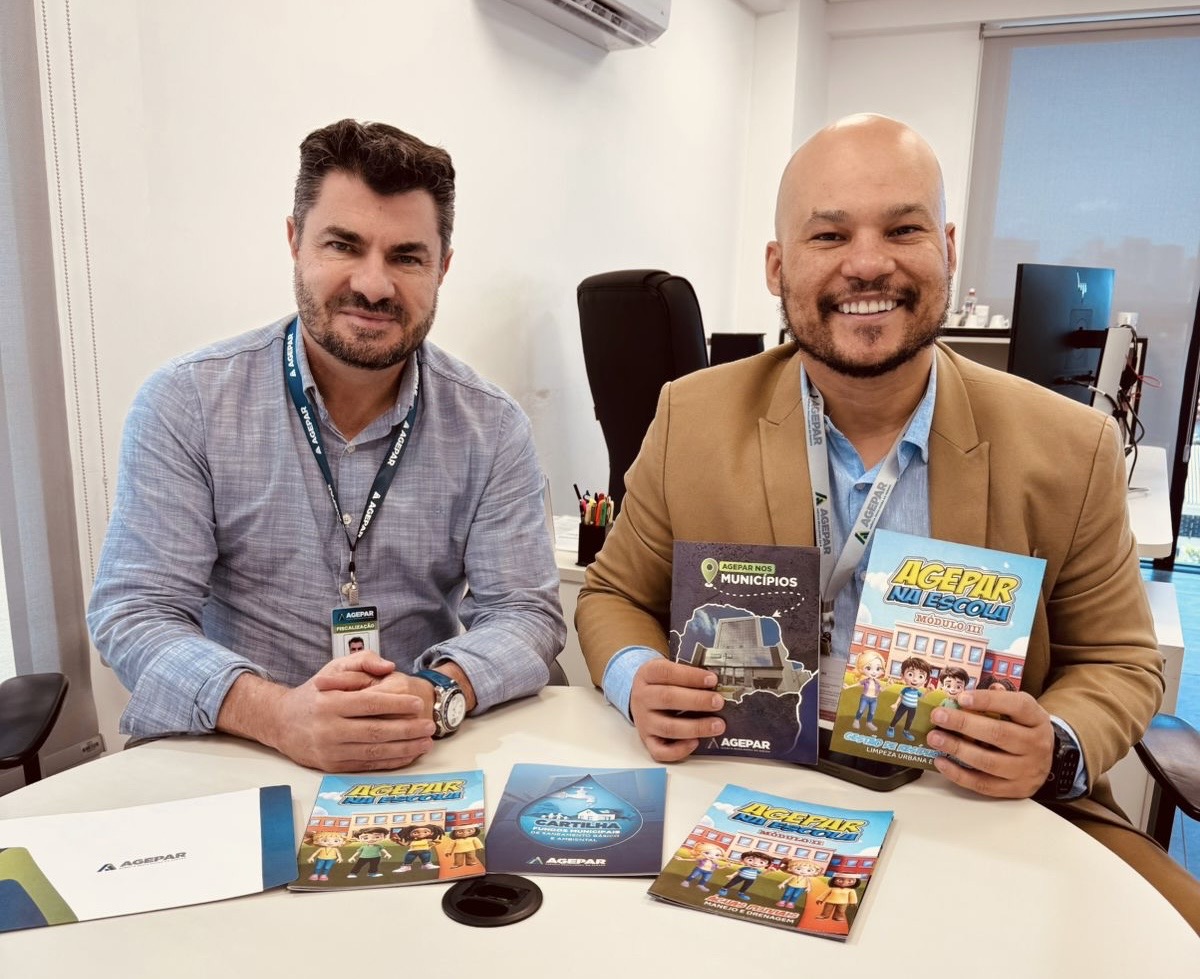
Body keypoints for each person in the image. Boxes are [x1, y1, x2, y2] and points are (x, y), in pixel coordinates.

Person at [576, 113, 1200, 930]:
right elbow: (612, 594)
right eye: (829, 234)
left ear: (947, 247)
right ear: (777, 265)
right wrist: (636, 677)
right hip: (743, 782)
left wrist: (1053, 742)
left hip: (982, 806)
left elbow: (1119, 658)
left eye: (903, 229)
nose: (867, 263)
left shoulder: (1070, 445)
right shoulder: (692, 416)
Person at [89, 119, 565, 773]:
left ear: (443, 267)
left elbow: (525, 613)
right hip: (233, 748)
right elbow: (136, 613)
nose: (374, 285)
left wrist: (434, 693)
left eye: (407, 257)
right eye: (344, 245)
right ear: (294, 241)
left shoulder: (493, 427)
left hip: (411, 754)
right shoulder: (188, 402)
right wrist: (276, 714)